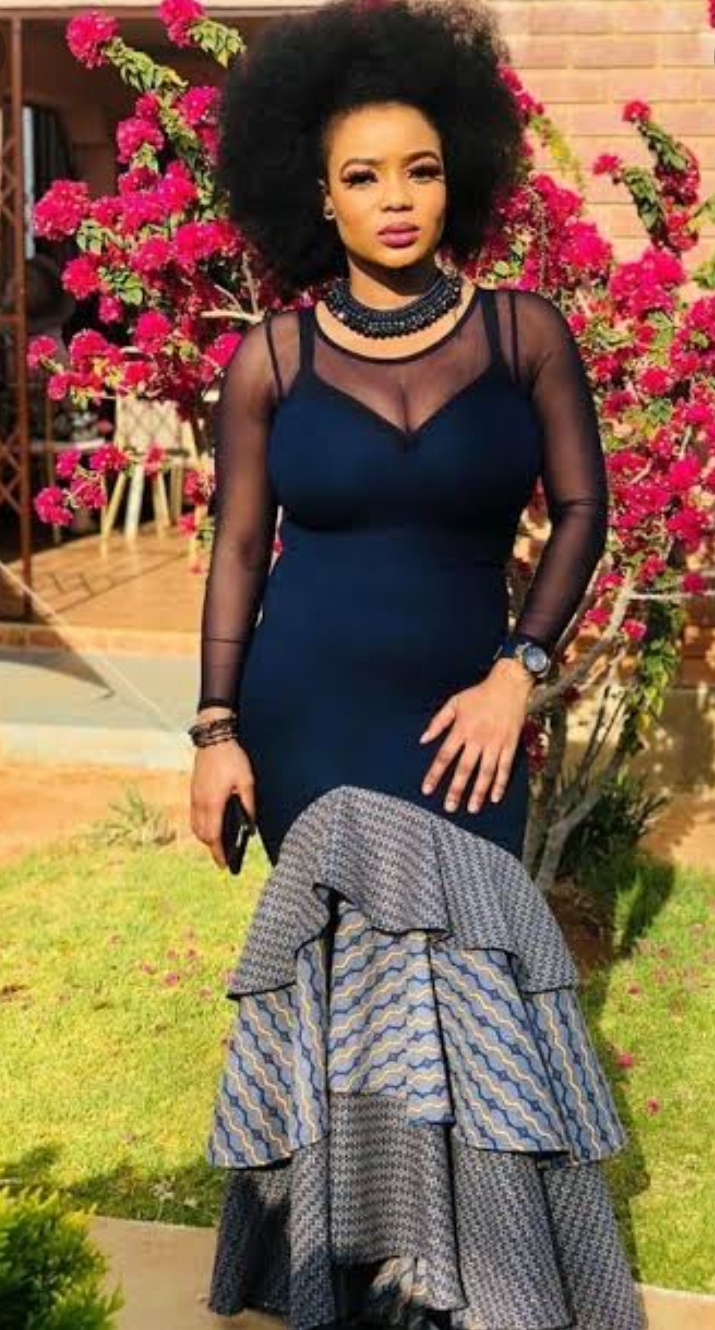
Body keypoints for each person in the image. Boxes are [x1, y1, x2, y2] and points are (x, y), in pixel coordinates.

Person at [190, 2, 647, 1326]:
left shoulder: (522, 335)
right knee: (349, 997)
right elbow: (236, 549)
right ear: (318, 196)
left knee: (468, 985)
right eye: (363, 175)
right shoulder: (271, 360)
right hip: (310, 723)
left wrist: (519, 671)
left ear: (462, 176)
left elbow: (583, 512)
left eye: (421, 168)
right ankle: (348, 1273)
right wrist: (215, 730)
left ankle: (479, 1274)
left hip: (467, 725)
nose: (396, 198)